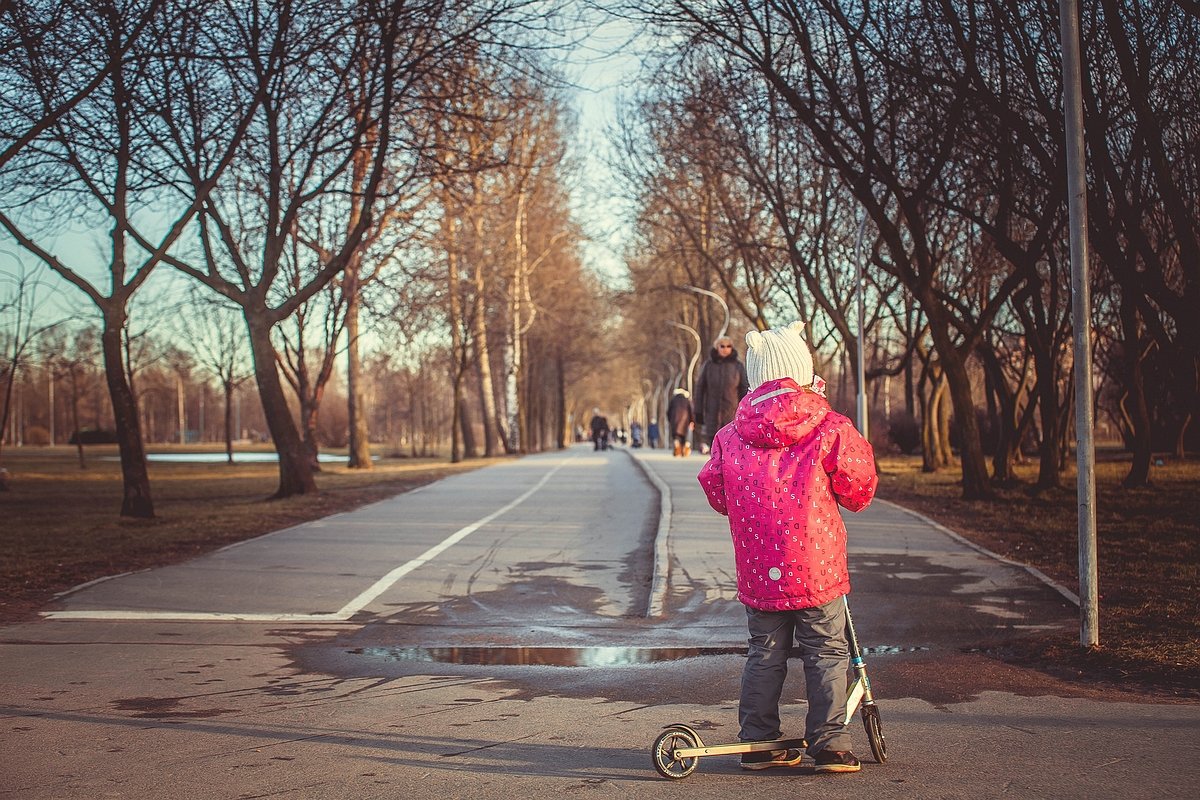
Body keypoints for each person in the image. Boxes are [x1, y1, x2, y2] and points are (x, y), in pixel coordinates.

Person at [697, 321, 877, 773]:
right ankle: (831, 743)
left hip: (760, 569)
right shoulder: (830, 426)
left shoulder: (730, 435)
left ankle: (759, 740)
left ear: (754, 376)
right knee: (826, 651)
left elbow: (716, 490)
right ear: (803, 370)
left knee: (765, 652)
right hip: (816, 568)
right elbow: (859, 488)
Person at [693, 334, 748, 455]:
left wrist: (745, 411)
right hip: (711, 413)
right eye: (722, 346)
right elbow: (700, 388)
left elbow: (744, 388)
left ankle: (728, 471)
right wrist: (698, 411)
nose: (725, 349)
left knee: (730, 446)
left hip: (731, 414)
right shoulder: (708, 365)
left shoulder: (738, 366)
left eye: (728, 346)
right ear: (717, 347)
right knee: (714, 448)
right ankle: (715, 472)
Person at [666, 389, 694, 457]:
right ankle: (686, 451)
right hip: (686, 422)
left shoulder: (673, 400)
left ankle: (677, 450)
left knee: (677, 437)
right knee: (686, 437)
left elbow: (668, 412)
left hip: (674, 421)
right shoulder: (687, 400)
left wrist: (670, 420)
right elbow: (691, 411)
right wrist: (692, 421)